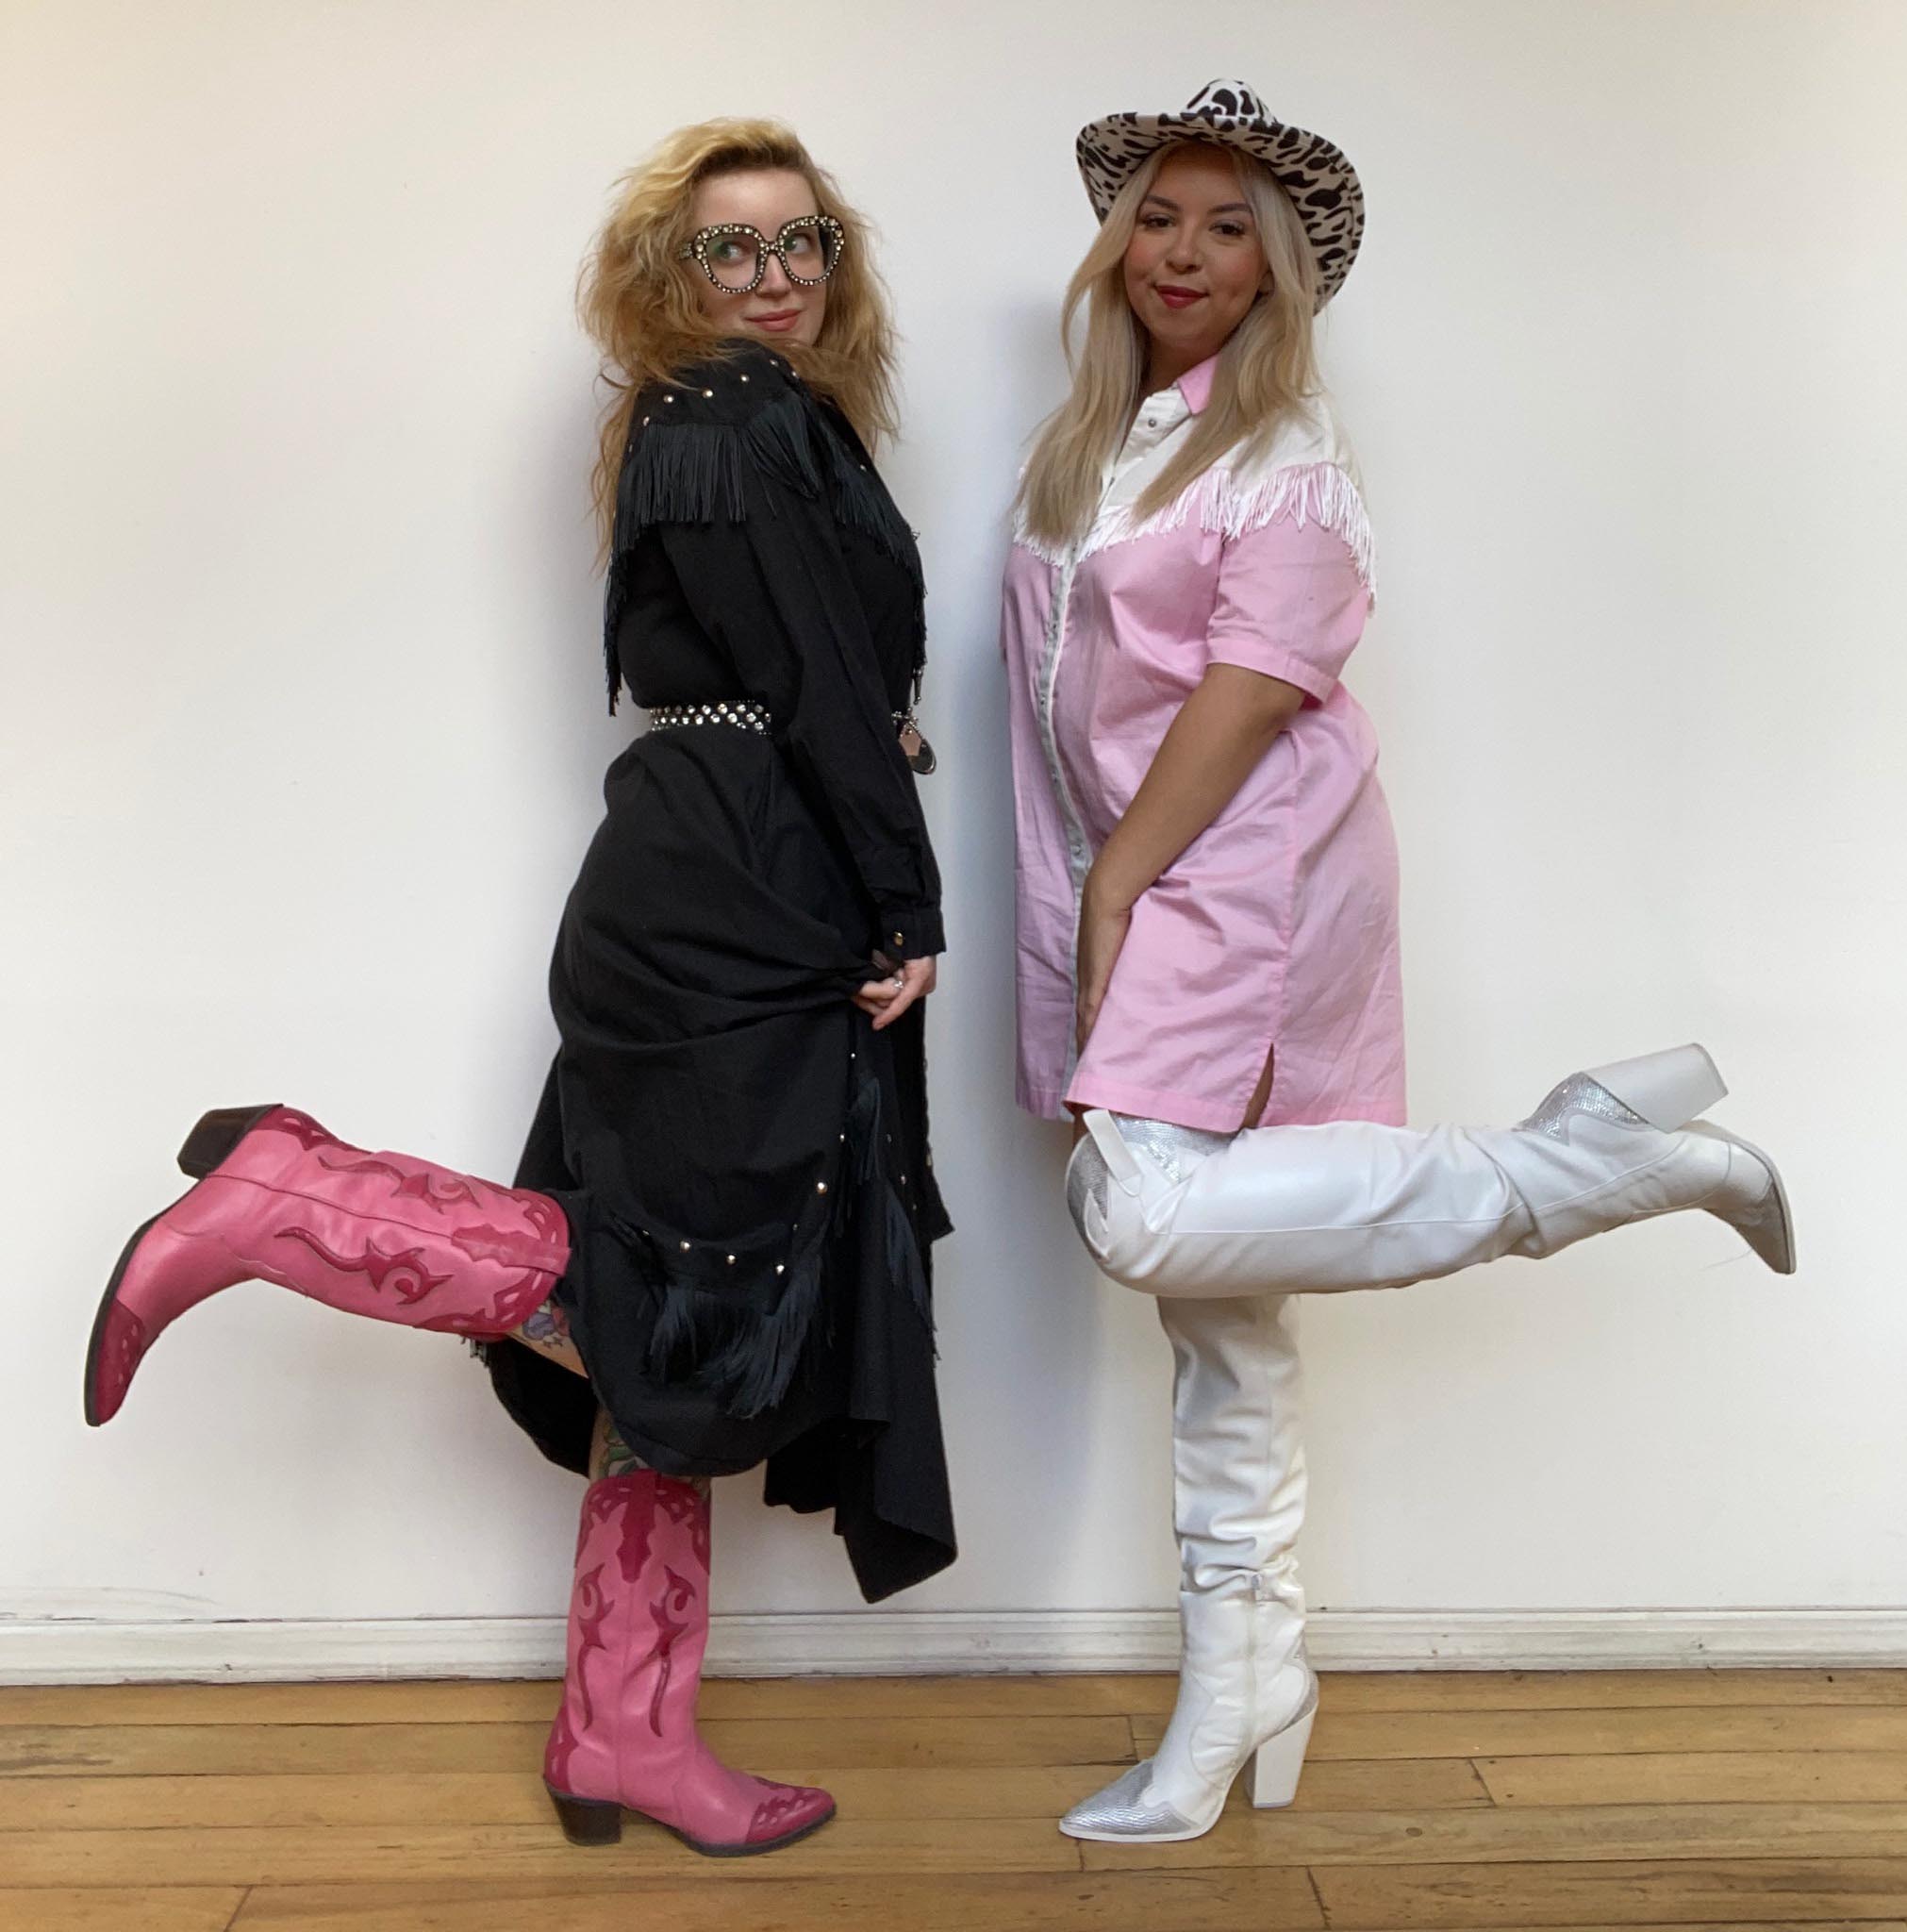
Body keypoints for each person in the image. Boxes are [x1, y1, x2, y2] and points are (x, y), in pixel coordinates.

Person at [86, 117, 954, 1859]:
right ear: (669, 275)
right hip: (737, 904)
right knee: (688, 1290)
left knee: (685, 1294)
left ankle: (621, 1735)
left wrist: (875, 733)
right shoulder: (732, 416)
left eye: (802, 244)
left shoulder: (723, 424)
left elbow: (780, 671)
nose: (772, 275)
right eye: (731, 248)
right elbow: (803, 680)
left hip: (704, 868)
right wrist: (904, 895)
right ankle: (292, 1197)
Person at [1001, 80, 1793, 1846]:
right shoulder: (1100, 439)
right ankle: (1242, 1694)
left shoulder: (1282, 456)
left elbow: (1253, 688)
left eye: (1226, 230)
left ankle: (1566, 1164)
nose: (1181, 253)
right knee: (1223, 1320)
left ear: (1281, 274)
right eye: (1156, 217)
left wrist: (1124, 878)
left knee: (1144, 1214)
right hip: (1118, 888)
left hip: (1233, 884)